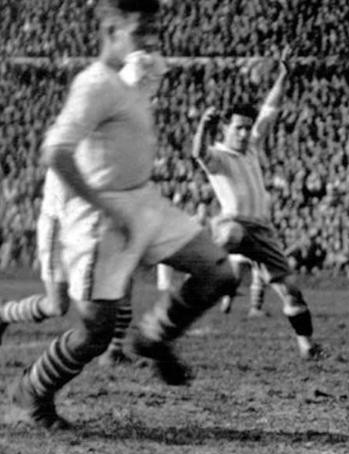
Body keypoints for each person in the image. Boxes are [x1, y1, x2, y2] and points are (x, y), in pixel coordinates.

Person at [5, 0, 238, 430]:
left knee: (219, 273)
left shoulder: (130, 78)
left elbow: (146, 80)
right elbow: (54, 152)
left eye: (153, 29)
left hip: (145, 203)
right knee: (94, 335)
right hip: (100, 222)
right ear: (112, 30)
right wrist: (104, 206)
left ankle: (153, 338)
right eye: (139, 30)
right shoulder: (94, 84)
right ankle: (33, 390)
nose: (149, 40)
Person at [190, 48, 322, 360]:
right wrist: (204, 126)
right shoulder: (218, 155)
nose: (246, 132)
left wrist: (284, 76)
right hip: (232, 223)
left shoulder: (250, 148)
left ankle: (307, 345)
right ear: (226, 128)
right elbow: (198, 152)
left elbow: (270, 108)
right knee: (232, 236)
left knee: (291, 290)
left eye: (248, 127)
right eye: (239, 127)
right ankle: (204, 274)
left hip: (262, 230)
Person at [0, 169, 133, 369]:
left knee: (123, 278)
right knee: (56, 306)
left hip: (95, 223)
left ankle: (113, 350)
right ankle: (4, 313)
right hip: (60, 224)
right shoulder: (69, 146)